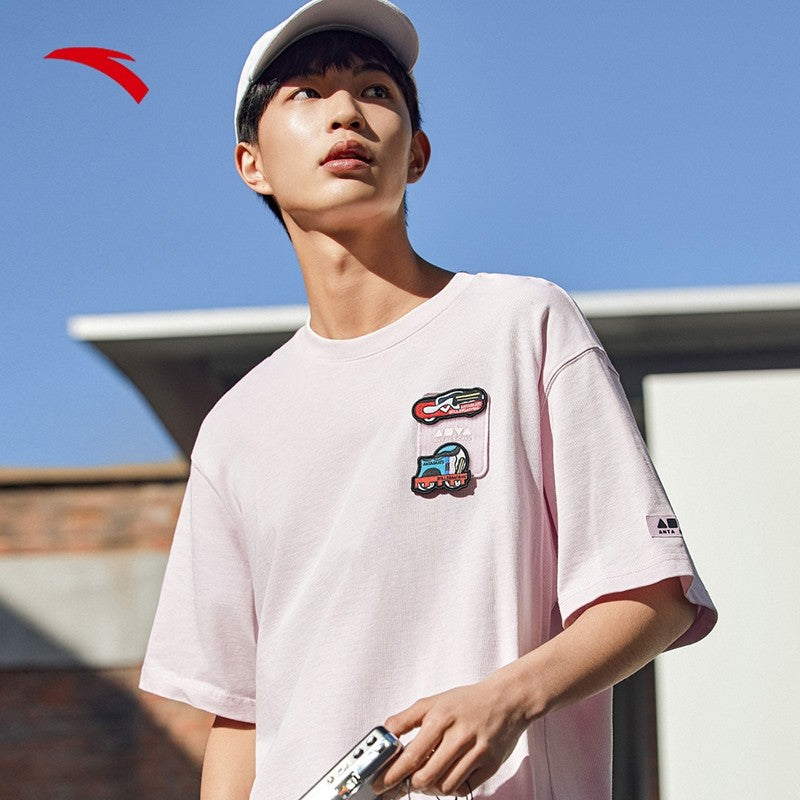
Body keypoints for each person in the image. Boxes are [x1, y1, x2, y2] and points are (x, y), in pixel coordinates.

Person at [140, 1, 717, 798]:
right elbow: (241, 714)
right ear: (252, 164)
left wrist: (509, 698)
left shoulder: (522, 323)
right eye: (306, 93)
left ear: (416, 154)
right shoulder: (235, 425)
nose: (346, 111)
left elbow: (653, 594)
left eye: (376, 91)